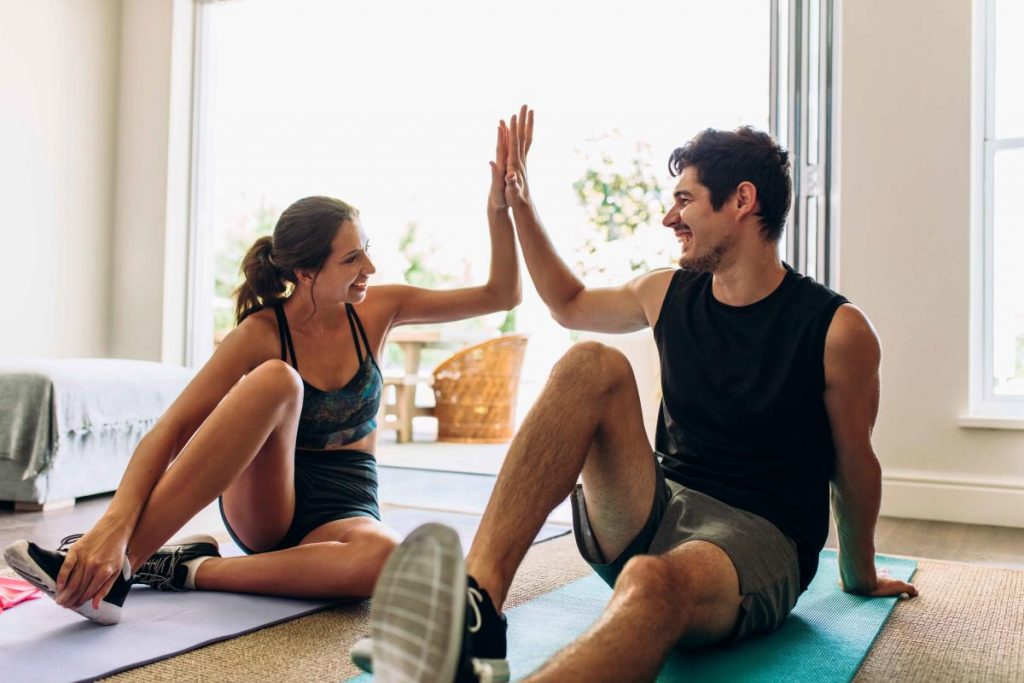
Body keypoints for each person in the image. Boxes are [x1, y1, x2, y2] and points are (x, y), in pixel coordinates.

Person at [359, 106, 919, 682]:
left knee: (650, 583)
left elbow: (854, 461)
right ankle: (475, 611)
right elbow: (568, 303)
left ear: (742, 201)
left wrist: (859, 574)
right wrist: (520, 205)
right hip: (653, 504)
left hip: (756, 539)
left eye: (684, 200)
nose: (667, 216)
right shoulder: (665, 292)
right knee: (588, 362)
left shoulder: (836, 328)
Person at [3, 124, 521, 626]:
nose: (370, 266)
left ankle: (183, 569)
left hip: (346, 505)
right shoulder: (261, 333)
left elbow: (502, 294)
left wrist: (501, 209)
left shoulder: (380, 310)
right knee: (278, 380)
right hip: (269, 502)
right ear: (305, 273)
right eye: (351, 257)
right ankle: (119, 567)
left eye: (367, 247)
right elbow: (174, 428)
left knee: (389, 558)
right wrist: (114, 522)